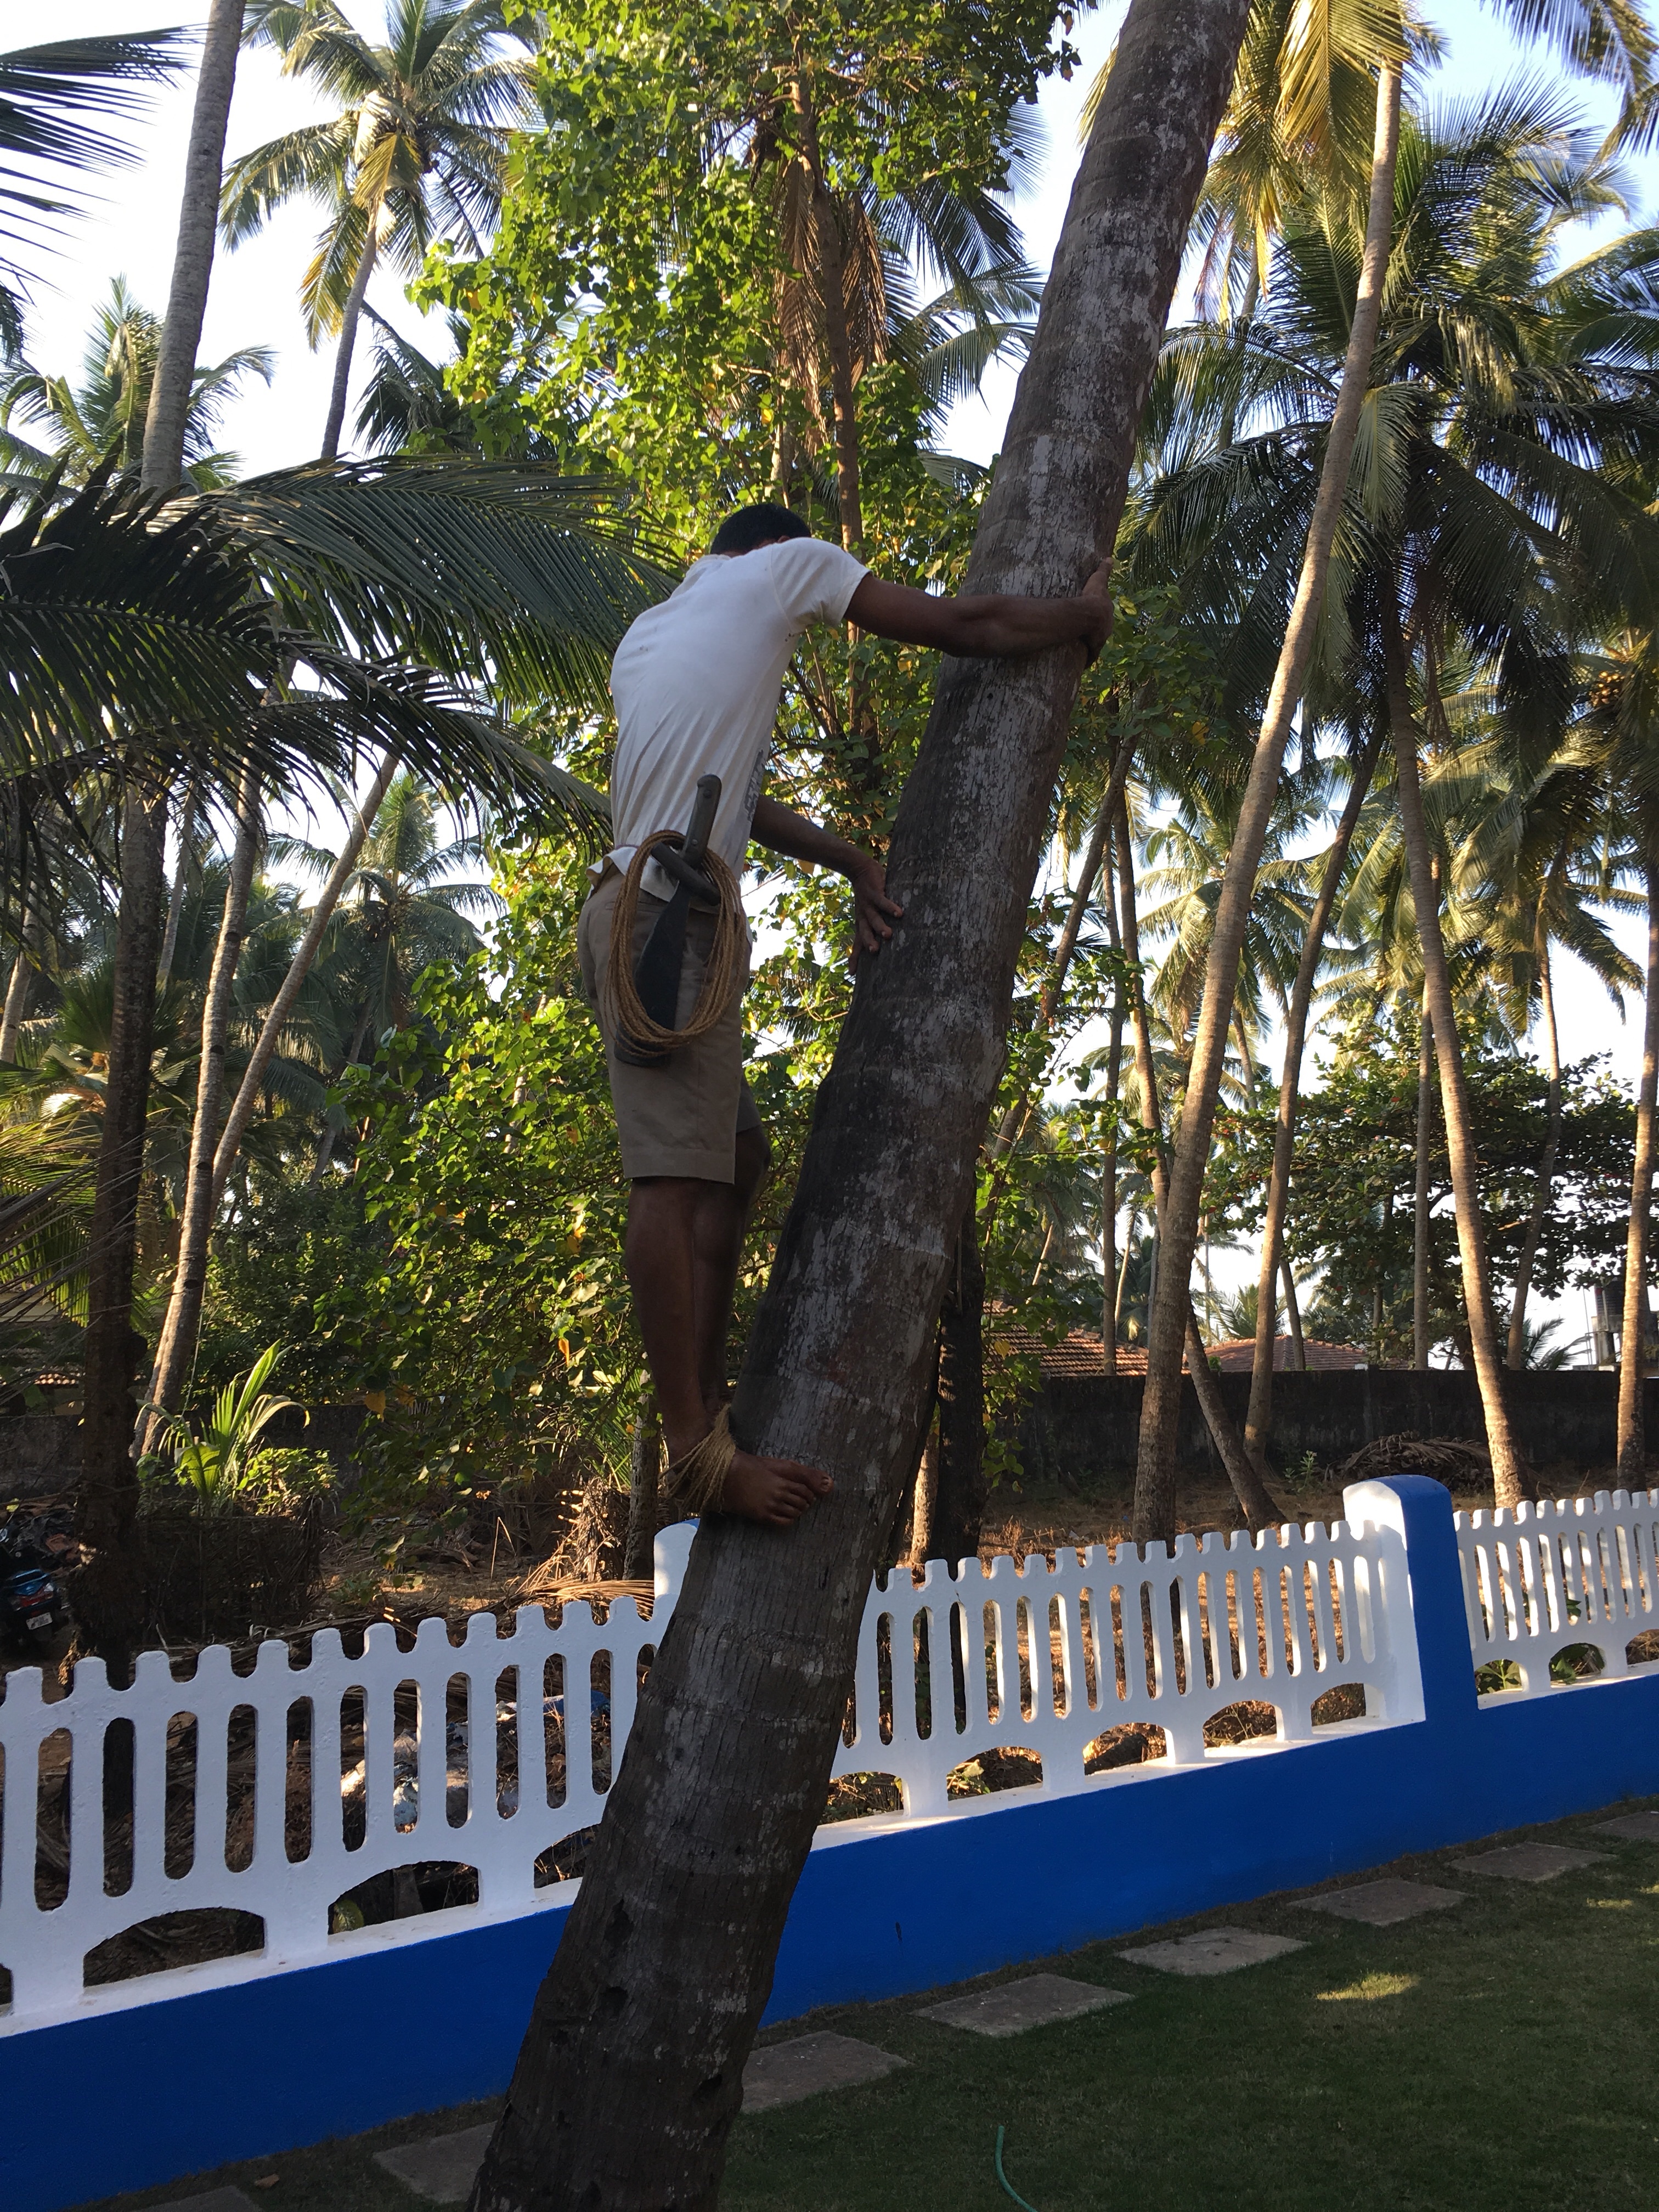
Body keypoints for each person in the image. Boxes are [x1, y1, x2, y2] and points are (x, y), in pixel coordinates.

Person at [580, 502, 1111, 1530]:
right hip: (666, 920)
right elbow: (969, 626)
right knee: (671, 1182)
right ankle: (697, 1450)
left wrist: (850, 859)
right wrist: (1081, 618)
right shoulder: (787, 569)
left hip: (640, 903)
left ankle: (706, 1399)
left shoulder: (649, 632)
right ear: (781, 548)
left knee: (737, 1161)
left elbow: (731, 797)